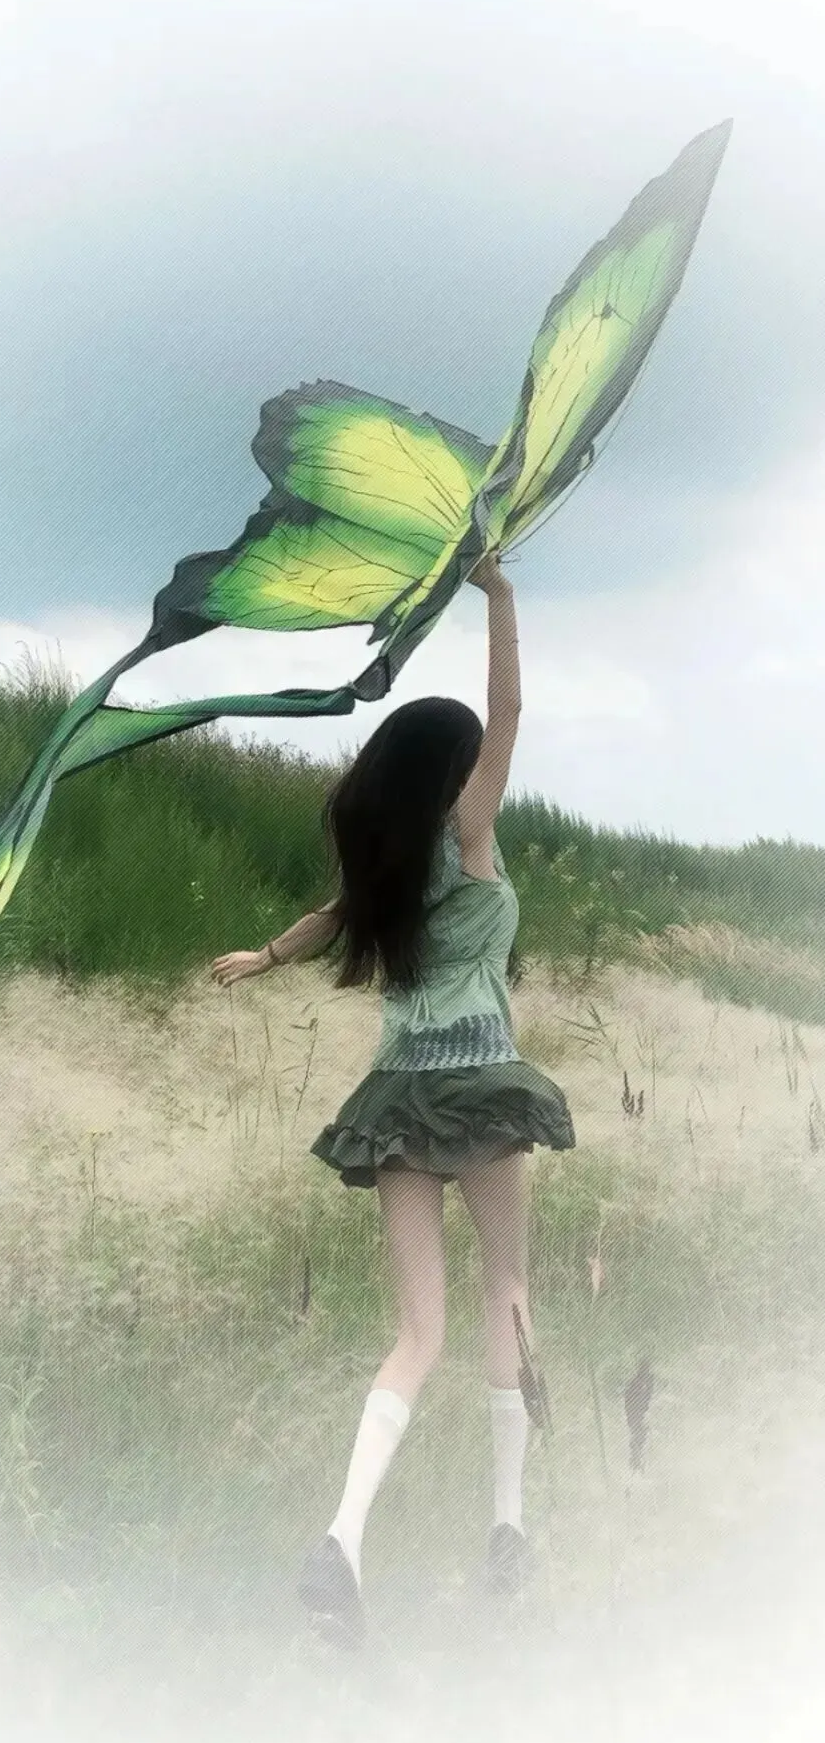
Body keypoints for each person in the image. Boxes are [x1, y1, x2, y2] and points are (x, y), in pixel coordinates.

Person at [210, 554, 574, 1648]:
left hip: (399, 1097)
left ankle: (343, 1536)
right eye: (469, 763)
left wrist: (264, 955)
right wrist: (501, 596)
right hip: (481, 1087)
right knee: (507, 1289)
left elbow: (329, 916)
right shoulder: (469, 835)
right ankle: (507, 1526)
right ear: (453, 775)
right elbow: (510, 712)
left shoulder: (391, 865)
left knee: (416, 1332)